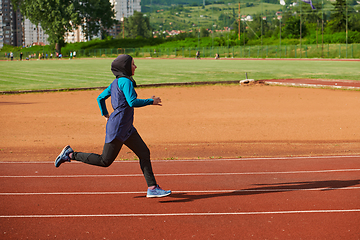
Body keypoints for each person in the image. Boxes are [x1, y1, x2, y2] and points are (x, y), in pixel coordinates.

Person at [55, 54, 171, 198]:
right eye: (133, 64)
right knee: (105, 161)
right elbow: (132, 102)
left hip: (126, 128)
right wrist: (150, 101)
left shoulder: (115, 83)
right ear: (125, 67)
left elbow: (100, 98)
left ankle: (152, 188)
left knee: (144, 153)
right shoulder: (126, 82)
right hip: (118, 129)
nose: (135, 67)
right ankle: (70, 154)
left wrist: (105, 114)